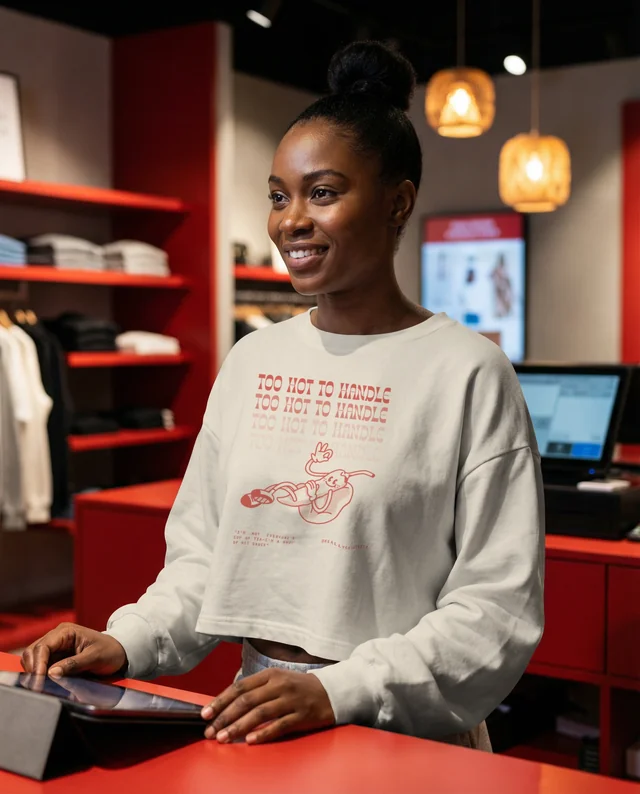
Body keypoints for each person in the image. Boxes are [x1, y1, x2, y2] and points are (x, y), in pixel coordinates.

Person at [22, 41, 544, 751]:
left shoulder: (469, 373)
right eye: (278, 195)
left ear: (399, 202)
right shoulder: (253, 360)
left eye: (322, 193)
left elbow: (496, 609)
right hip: (259, 724)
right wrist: (126, 641)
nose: (290, 220)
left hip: (404, 740)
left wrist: (340, 690)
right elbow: (205, 555)